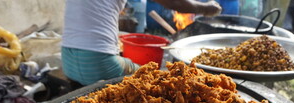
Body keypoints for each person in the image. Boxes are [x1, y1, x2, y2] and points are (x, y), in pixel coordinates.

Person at [61, 0, 222, 86]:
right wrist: (207, 8)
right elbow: (174, 3)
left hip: (67, 61)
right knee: (150, 78)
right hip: (97, 63)